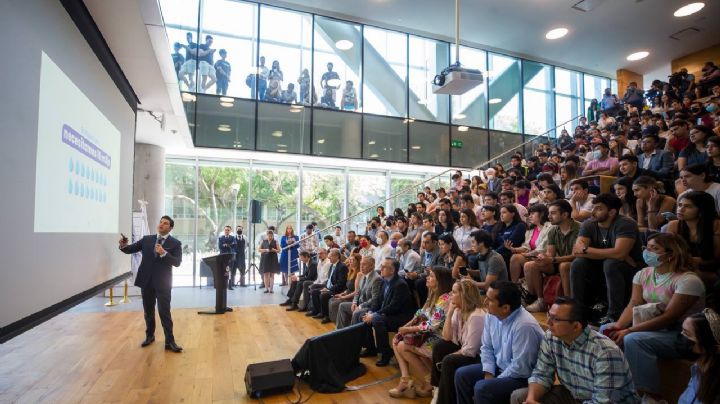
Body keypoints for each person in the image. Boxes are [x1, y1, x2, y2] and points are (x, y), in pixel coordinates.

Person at [601, 233, 705, 400]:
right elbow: (633, 303)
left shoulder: (688, 281)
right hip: (655, 327)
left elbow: (669, 317)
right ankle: (613, 384)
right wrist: (619, 325)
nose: (648, 252)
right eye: (647, 248)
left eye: (654, 249)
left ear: (671, 254)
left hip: (683, 335)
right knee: (606, 329)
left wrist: (629, 330)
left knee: (633, 339)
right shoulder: (644, 274)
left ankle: (648, 395)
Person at [509, 297, 640, 404]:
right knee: (520, 397)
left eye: (556, 319)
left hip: (604, 401)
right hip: (573, 395)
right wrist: (532, 399)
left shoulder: (605, 352)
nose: (548, 322)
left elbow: (603, 401)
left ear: (576, 326)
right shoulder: (551, 337)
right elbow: (541, 373)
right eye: (549, 315)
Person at [454, 281, 544, 404]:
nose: (485, 302)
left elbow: (520, 368)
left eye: (490, 300)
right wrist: (488, 372)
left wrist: (493, 380)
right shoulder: (492, 315)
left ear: (505, 308)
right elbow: (486, 347)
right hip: (500, 367)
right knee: (462, 375)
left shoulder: (524, 326)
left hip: (522, 377)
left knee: (482, 388)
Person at [571, 193, 643, 324]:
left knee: (611, 264)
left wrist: (586, 249)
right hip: (602, 265)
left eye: (598, 208)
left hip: (630, 268)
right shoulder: (589, 224)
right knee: (578, 263)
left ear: (611, 212)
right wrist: (614, 253)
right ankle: (578, 310)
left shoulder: (626, 223)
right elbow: (576, 251)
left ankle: (614, 315)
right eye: (593, 208)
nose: (593, 212)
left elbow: (619, 254)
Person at [118, 215, 183, 352]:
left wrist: (164, 253)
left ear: (170, 228)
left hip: (163, 283)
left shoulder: (175, 243)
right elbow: (130, 249)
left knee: (164, 312)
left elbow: (177, 262)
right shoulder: (147, 240)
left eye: (165, 223)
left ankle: (169, 342)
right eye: (160, 222)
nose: (161, 224)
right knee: (148, 311)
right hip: (146, 281)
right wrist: (123, 245)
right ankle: (149, 336)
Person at [389, 267, 453, 399]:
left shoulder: (445, 298)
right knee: (396, 341)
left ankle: (428, 382)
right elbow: (419, 314)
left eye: (432, 276)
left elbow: (432, 325)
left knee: (402, 346)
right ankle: (406, 380)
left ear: (440, 281)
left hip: (442, 339)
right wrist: (403, 328)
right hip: (430, 336)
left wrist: (407, 330)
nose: (427, 278)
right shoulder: (433, 293)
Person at [432, 279, 486, 404]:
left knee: (449, 361)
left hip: (479, 356)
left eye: (454, 292)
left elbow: (471, 351)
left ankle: (444, 400)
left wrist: (450, 355)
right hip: (466, 348)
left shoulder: (477, 316)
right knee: (440, 346)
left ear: (464, 295)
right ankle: (438, 389)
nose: (450, 295)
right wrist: (450, 313)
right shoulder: (458, 310)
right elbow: (447, 337)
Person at [524, 200, 580, 312]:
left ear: (565, 215)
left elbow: (576, 255)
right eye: (549, 213)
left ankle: (568, 303)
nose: (549, 216)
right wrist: (543, 257)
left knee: (564, 266)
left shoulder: (580, 228)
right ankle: (540, 300)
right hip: (558, 261)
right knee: (530, 265)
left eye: (553, 213)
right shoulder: (553, 230)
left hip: (578, 263)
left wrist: (552, 259)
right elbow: (551, 253)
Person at [360, 258, 416, 367]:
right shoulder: (384, 281)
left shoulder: (400, 284)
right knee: (365, 316)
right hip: (390, 313)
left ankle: (386, 352)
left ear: (392, 270)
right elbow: (378, 301)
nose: (381, 268)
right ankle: (371, 348)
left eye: (384, 267)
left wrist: (375, 315)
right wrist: (371, 312)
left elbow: (393, 307)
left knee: (376, 319)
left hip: (401, 317)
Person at [666, 191, 720, 281]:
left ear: (702, 210)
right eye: (680, 205)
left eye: (688, 206)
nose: (681, 209)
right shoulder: (673, 225)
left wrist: (689, 261)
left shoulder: (716, 225)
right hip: (685, 268)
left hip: (713, 270)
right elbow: (668, 251)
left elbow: (717, 258)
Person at [678, 309, 720, 404]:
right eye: (682, 331)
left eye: (686, 333)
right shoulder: (697, 370)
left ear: (707, 345)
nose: (681, 336)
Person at [506, 204, 551, 283]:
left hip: (544, 258)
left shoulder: (550, 227)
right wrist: (514, 249)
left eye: (533, 214)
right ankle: (514, 284)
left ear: (542, 214)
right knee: (515, 257)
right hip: (532, 256)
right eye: (529, 214)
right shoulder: (531, 229)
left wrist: (526, 254)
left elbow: (542, 248)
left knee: (518, 257)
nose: (530, 216)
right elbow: (526, 246)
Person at [336, 256, 382, 329]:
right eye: (360, 264)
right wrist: (354, 302)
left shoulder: (376, 279)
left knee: (356, 313)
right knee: (342, 306)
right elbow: (358, 291)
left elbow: (374, 299)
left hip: (369, 307)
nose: (361, 266)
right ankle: (340, 332)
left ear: (372, 266)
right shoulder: (363, 274)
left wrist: (360, 306)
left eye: (364, 264)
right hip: (359, 303)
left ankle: (352, 335)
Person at [308, 248, 348, 323]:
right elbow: (329, 279)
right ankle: (318, 311)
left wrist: (329, 289)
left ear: (337, 256)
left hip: (337, 290)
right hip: (328, 286)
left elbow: (341, 284)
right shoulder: (332, 265)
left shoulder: (342, 267)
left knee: (323, 295)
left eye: (331, 256)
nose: (329, 257)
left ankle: (326, 316)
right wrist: (326, 287)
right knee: (314, 292)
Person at [328, 252, 360, 325]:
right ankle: (337, 323)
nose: (350, 262)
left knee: (335, 303)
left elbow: (356, 292)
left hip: (354, 297)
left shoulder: (359, 273)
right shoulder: (350, 271)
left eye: (353, 260)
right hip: (348, 293)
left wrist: (343, 297)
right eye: (350, 260)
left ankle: (341, 325)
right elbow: (348, 288)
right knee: (331, 300)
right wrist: (342, 294)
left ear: (358, 262)